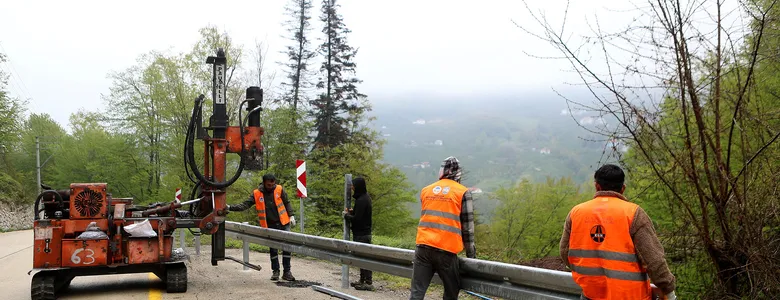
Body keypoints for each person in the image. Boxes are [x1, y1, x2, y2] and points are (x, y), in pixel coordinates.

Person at [560, 164, 676, 300]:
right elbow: (654, 260)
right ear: (623, 188)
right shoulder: (634, 214)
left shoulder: (576, 213)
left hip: (591, 295)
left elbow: (565, 253)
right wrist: (669, 291)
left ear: (597, 186)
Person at [409, 156, 476, 300]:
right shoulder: (462, 192)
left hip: (423, 247)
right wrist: (472, 256)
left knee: (417, 292)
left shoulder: (426, 190)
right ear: (458, 173)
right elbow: (468, 228)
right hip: (446, 251)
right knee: (451, 291)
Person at [227, 174, 297, 281]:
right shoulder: (257, 193)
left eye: (273, 184)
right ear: (264, 183)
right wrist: (230, 207)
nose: (271, 186)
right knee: (273, 248)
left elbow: (287, 202)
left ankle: (287, 272)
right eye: (269, 184)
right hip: (270, 225)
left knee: (286, 248)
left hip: (283, 222)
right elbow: (245, 205)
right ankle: (275, 271)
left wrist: (291, 215)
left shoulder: (279, 189)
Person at [343, 177, 374, 291]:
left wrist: (346, 215)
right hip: (363, 233)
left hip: (362, 234)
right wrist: (352, 212)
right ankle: (363, 280)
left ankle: (368, 282)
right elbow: (360, 214)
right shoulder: (364, 198)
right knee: (362, 257)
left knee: (364, 257)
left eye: (353, 185)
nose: (352, 187)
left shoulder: (362, 200)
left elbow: (357, 219)